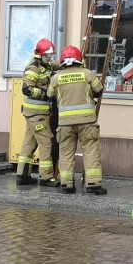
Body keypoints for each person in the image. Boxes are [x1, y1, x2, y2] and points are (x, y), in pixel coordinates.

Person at [47, 45, 106, 195]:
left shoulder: (57, 77)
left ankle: (67, 184)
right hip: (87, 121)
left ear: (63, 61)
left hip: (65, 123)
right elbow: (99, 91)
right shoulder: (87, 74)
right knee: (91, 151)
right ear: (80, 59)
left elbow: (50, 95)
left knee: (66, 152)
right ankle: (92, 184)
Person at [16, 38, 61, 187]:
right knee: (47, 142)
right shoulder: (33, 68)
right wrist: (46, 94)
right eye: (47, 55)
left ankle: (23, 176)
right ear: (39, 54)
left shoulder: (45, 64)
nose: (50, 58)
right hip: (36, 114)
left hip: (35, 114)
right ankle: (46, 177)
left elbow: (57, 64)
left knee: (29, 144)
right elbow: (26, 89)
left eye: (51, 55)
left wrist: (70, 62)